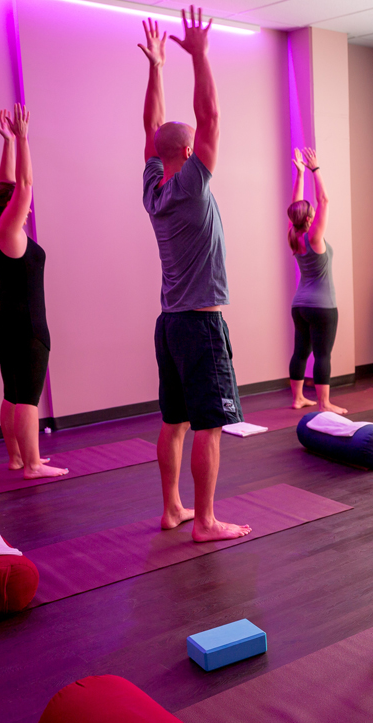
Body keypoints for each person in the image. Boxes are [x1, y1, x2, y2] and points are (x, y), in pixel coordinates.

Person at [138, 8, 250, 542]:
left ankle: (172, 508)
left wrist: (157, 66)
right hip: (201, 324)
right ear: (187, 153)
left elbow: (149, 126)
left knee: (174, 419)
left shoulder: (153, 188)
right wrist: (200, 56)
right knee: (209, 424)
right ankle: (204, 520)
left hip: (169, 324)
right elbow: (211, 119)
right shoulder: (187, 187)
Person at [0, 104, 68, 480]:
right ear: (8, 208)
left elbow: (6, 185)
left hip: (1, 318)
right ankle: (31, 465)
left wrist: (8, 143)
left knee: (12, 392)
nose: (27, 209)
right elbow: (22, 186)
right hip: (23, 323)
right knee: (27, 396)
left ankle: (16, 458)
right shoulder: (9, 231)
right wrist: (24, 138)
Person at [287, 147, 346, 414]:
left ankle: (298, 398)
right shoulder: (314, 238)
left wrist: (299, 175)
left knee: (301, 351)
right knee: (322, 354)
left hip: (299, 306)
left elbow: (295, 207)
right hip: (322, 307)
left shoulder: (294, 235)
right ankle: (324, 403)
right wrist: (315, 170)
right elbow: (324, 199)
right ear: (310, 218)